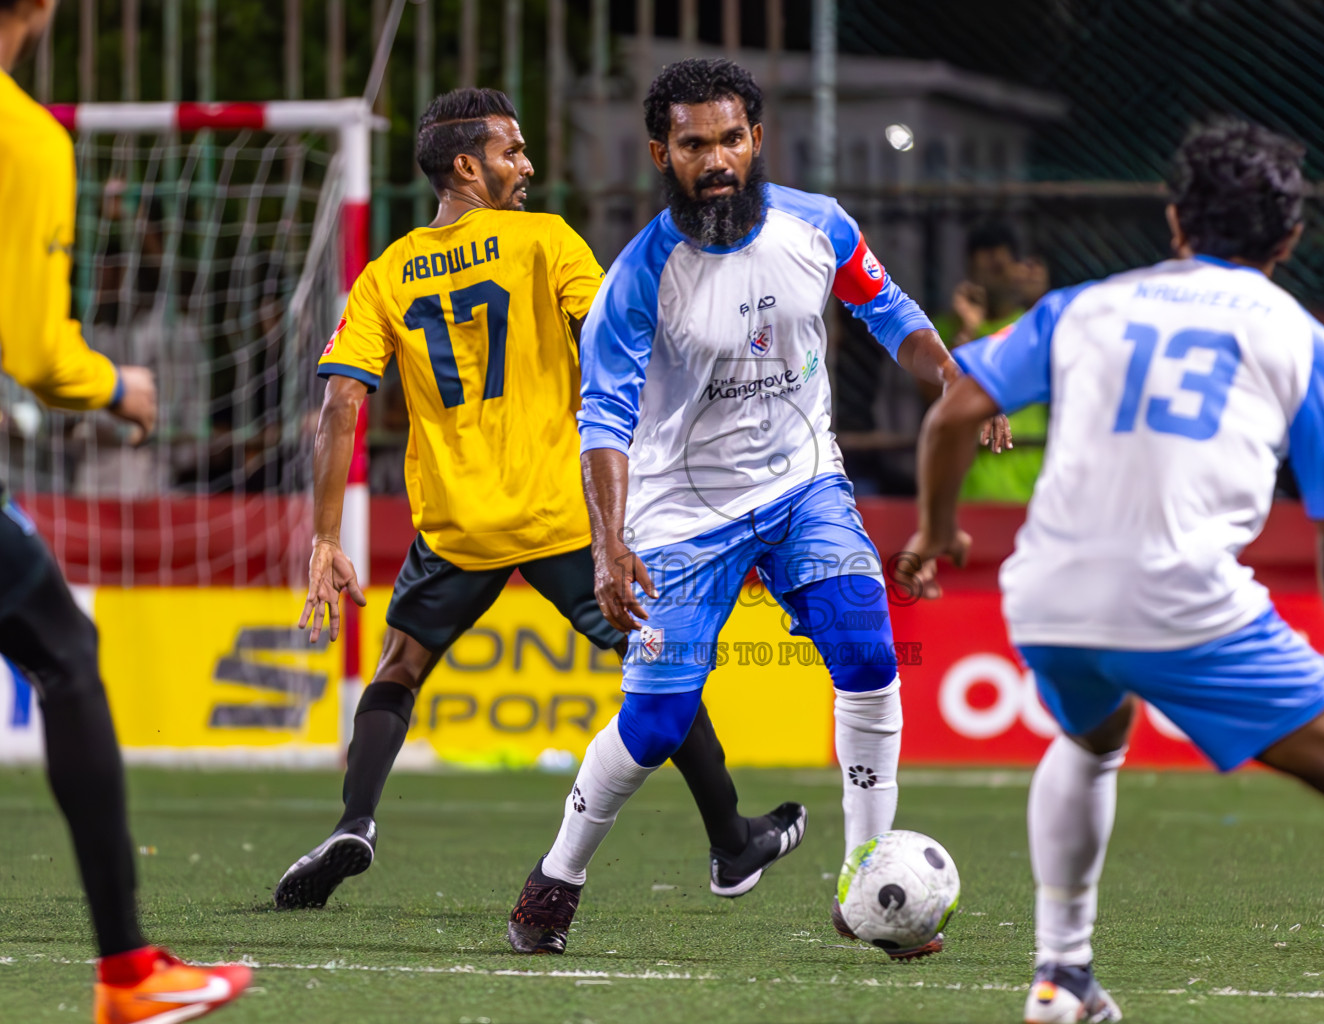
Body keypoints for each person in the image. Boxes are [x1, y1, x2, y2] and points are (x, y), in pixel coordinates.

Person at [905, 119, 1324, 1024]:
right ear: (1290, 240)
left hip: (1045, 593)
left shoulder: (1084, 305)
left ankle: (1061, 972)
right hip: (1182, 597)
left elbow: (954, 410)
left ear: (1173, 221)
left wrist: (936, 528)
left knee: (1089, 737)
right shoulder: (1301, 336)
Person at [505, 58, 1004, 961]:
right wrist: (610, 545)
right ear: (664, 153)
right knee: (657, 722)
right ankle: (558, 878)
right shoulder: (635, 281)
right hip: (681, 515)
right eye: (695, 144)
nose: (718, 158)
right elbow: (604, 419)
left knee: (867, 647)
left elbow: (890, 313)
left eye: (732, 138)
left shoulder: (820, 226)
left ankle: (866, 887)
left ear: (757, 140)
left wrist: (957, 381)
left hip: (803, 485)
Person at [278, 88, 804, 911]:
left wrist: (322, 536)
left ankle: (356, 820)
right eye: (511, 152)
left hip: (456, 525)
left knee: (400, 668)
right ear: (467, 165)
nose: (526, 166)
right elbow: (618, 341)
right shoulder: (544, 240)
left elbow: (340, 404)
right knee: (660, 668)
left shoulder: (385, 275)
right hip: (564, 517)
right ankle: (731, 843)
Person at [0, 1, 251, 1020]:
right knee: (66, 654)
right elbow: (37, 353)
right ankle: (127, 973)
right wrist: (117, 388)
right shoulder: (26, 137)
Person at [934, 222, 1049, 503]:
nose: (993, 279)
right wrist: (968, 330)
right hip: (968, 492)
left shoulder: (1036, 325)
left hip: (1031, 490)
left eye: (1000, 269)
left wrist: (1042, 303)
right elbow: (932, 395)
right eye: (983, 269)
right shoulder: (946, 331)